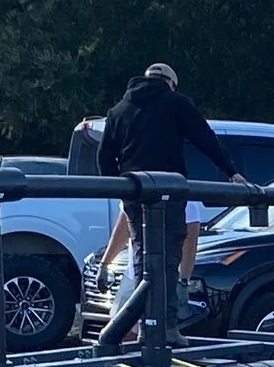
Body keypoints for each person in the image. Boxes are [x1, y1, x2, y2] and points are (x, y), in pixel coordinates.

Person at [89, 61, 234, 307]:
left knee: (141, 258)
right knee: (168, 258)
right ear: (170, 84)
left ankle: (145, 324)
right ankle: (165, 326)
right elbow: (205, 138)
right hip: (169, 190)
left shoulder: (119, 110)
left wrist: (119, 187)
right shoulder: (176, 103)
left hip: (134, 190)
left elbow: (104, 156)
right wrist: (230, 171)